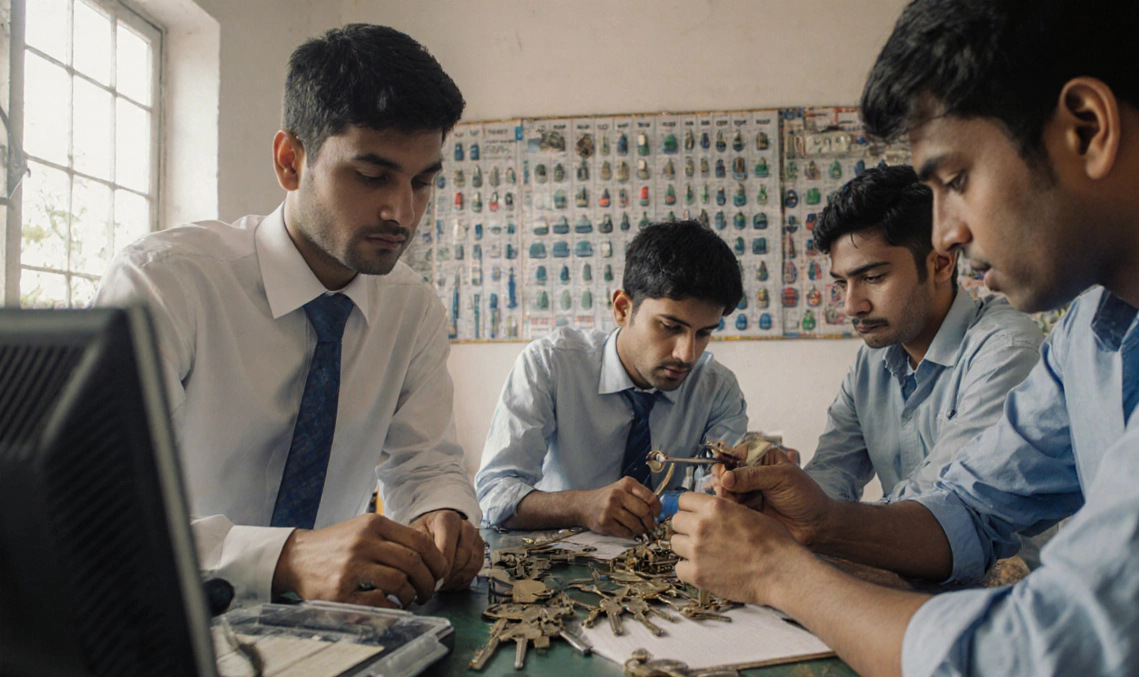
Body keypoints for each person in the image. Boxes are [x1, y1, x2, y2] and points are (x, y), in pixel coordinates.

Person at [669, 1, 1139, 677]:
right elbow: (971, 508)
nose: (947, 233)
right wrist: (822, 523)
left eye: (953, 180)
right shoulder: (1092, 324)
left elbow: (1047, 671)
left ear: (1087, 127)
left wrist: (783, 575)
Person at [95, 24, 484, 610]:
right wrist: (284, 558)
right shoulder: (165, 284)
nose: (401, 212)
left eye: (422, 182)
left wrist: (442, 512)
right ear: (289, 161)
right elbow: (97, 511)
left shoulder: (412, 311)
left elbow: (425, 461)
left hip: (337, 631)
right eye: (372, 176)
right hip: (162, 620)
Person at [474, 220, 748, 538]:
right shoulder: (550, 365)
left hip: (666, 573)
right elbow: (495, 495)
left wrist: (729, 492)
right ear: (622, 308)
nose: (687, 354)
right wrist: (581, 506)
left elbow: (716, 493)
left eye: (703, 333)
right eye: (670, 327)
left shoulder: (718, 389)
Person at [804, 165, 1042, 505]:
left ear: (941, 263)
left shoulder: (1006, 350)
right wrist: (785, 496)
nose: (851, 306)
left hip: (1003, 561)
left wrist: (820, 519)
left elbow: (941, 500)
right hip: (893, 555)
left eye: (872, 277)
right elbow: (831, 472)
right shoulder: (871, 363)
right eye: (842, 283)